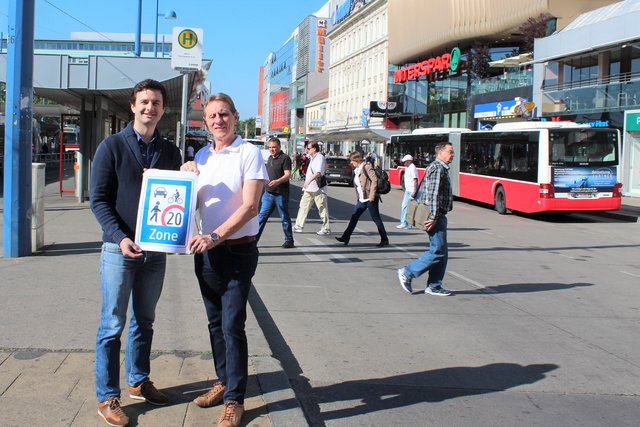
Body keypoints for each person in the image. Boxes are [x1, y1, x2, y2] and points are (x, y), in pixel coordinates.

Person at [90, 79, 182, 427]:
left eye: (156, 103)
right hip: (119, 248)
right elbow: (98, 200)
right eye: (144, 102)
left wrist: (188, 173)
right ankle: (107, 396)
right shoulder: (112, 146)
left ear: (162, 108)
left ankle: (138, 380)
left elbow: (179, 198)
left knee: (146, 321)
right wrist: (118, 236)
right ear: (133, 106)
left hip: (155, 251)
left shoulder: (170, 151)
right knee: (112, 325)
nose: (150, 108)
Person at [181, 93, 267, 427]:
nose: (219, 120)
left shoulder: (249, 153)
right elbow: (189, 202)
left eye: (224, 114)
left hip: (237, 250)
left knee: (232, 325)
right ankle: (223, 381)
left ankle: (235, 400)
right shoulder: (202, 155)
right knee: (215, 322)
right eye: (213, 116)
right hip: (205, 252)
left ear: (235, 116)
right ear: (206, 121)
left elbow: (250, 206)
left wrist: (215, 235)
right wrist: (185, 172)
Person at [397, 142, 454, 297]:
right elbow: (433, 195)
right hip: (435, 216)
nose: (453, 154)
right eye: (450, 151)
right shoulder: (437, 168)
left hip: (439, 215)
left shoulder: (440, 168)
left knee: (442, 252)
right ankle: (408, 273)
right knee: (437, 252)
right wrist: (434, 217)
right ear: (440, 152)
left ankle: (434, 285)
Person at [335, 151, 389, 247]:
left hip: (370, 198)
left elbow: (374, 180)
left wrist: (372, 195)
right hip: (362, 198)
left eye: (352, 161)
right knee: (354, 217)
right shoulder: (356, 170)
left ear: (356, 160)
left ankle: (384, 239)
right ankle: (345, 237)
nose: (351, 163)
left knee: (376, 219)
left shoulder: (366, 167)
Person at [257, 137, 295, 248]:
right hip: (268, 193)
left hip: (280, 193)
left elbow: (288, 175)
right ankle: (253, 241)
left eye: (274, 147)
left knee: (284, 217)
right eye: (270, 147)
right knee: (261, 217)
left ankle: (289, 240)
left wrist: (277, 182)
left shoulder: (285, 158)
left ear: (279, 147)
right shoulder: (269, 158)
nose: (272, 149)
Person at [292, 140, 331, 235]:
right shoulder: (312, 157)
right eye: (307, 148)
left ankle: (326, 228)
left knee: (322, 207)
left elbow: (318, 173)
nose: (307, 150)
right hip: (309, 188)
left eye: (309, 148)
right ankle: (299, 225)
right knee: (303, 206)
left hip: (318, 188)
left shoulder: (320, 157)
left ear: (314, 148)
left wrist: (308, 181)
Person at [396, 154, 419, 229]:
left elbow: (415, 180)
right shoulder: (407, 168)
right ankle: (404, 223)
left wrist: (414, 192)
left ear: (409, 161)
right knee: (404, 206)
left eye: (405, 162)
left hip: (412, 191)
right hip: (408, 191)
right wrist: (405, 191)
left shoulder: (412, 168)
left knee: (412, 208)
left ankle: (409, 224)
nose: (404, 163)